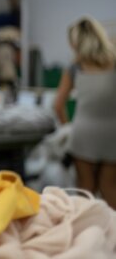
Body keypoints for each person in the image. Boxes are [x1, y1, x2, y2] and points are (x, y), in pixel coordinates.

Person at [54, 16, 116, 209]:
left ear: (75, 42)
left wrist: (66, 127)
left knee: (85, 189)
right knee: (110, 189)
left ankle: (83, 234)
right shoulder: (114, 63)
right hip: (112, 134)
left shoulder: (75, 68)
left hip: (84, 133)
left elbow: (57, 105)